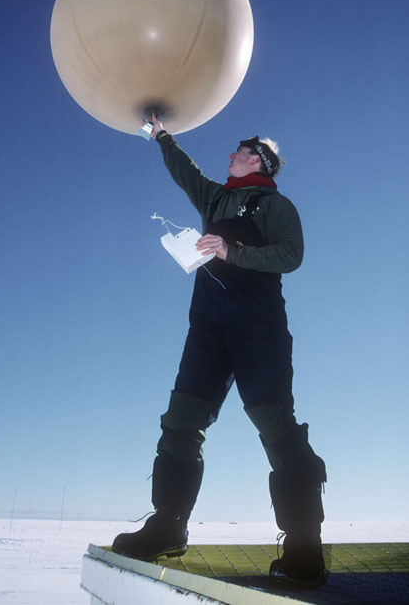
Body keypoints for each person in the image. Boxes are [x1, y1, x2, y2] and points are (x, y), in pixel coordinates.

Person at [112, 118, 328, 588]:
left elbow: (291, 255)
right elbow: (184, 171)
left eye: (239, 150)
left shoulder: (276, 204)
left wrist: (233, 252)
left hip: (259, 329)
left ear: (259, 160)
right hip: (207, 330)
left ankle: (305, 548)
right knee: (181, 421)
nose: (230, 154)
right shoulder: (214, 197)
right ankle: (167, 527)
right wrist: (161, 135)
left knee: (275, 425)